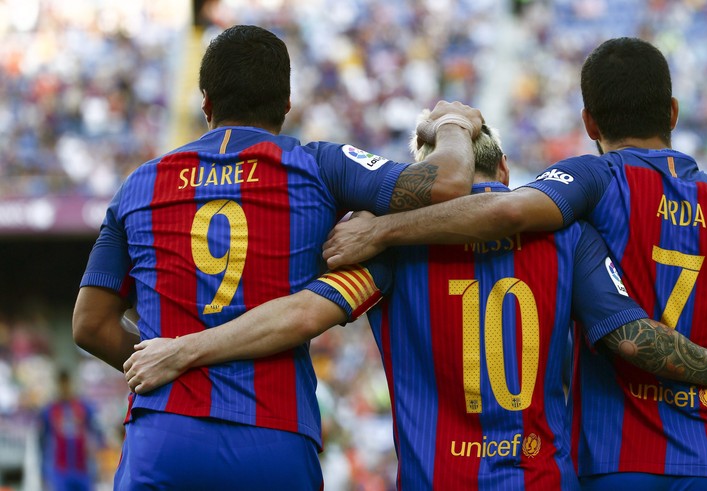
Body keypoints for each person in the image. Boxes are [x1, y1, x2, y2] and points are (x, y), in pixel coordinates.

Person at [124, 116, 707, 489]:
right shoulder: (569, 235)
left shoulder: (389, 250)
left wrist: (185, 350)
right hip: (543, 478)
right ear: (508, 166)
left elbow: (303, 314)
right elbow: (628, 332)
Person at [321, 37, 707, 491]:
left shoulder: (593, 180)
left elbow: (507, 211)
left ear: (589, 122)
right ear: (672, 112)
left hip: (618, 459)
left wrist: (381, 228)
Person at [71, 25, 483, 490]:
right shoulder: (319, 165)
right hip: (274, 438)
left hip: (164, 440)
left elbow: (90, 324)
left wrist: (170, 367)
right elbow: (449, 182)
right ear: (286, 106)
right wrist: (452, 122)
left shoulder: (140, 184)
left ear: (206, 102)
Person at [38, 370, 104, 491]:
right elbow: (42, 441)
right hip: (60, 469)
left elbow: (97, 431)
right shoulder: (49, 410)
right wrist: (43, 472)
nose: (64, 388)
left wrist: (97, 450)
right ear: (57, 385)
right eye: (61, 384)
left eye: (67, 384)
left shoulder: (83, 406)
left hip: (83, 468)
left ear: (71, 384)